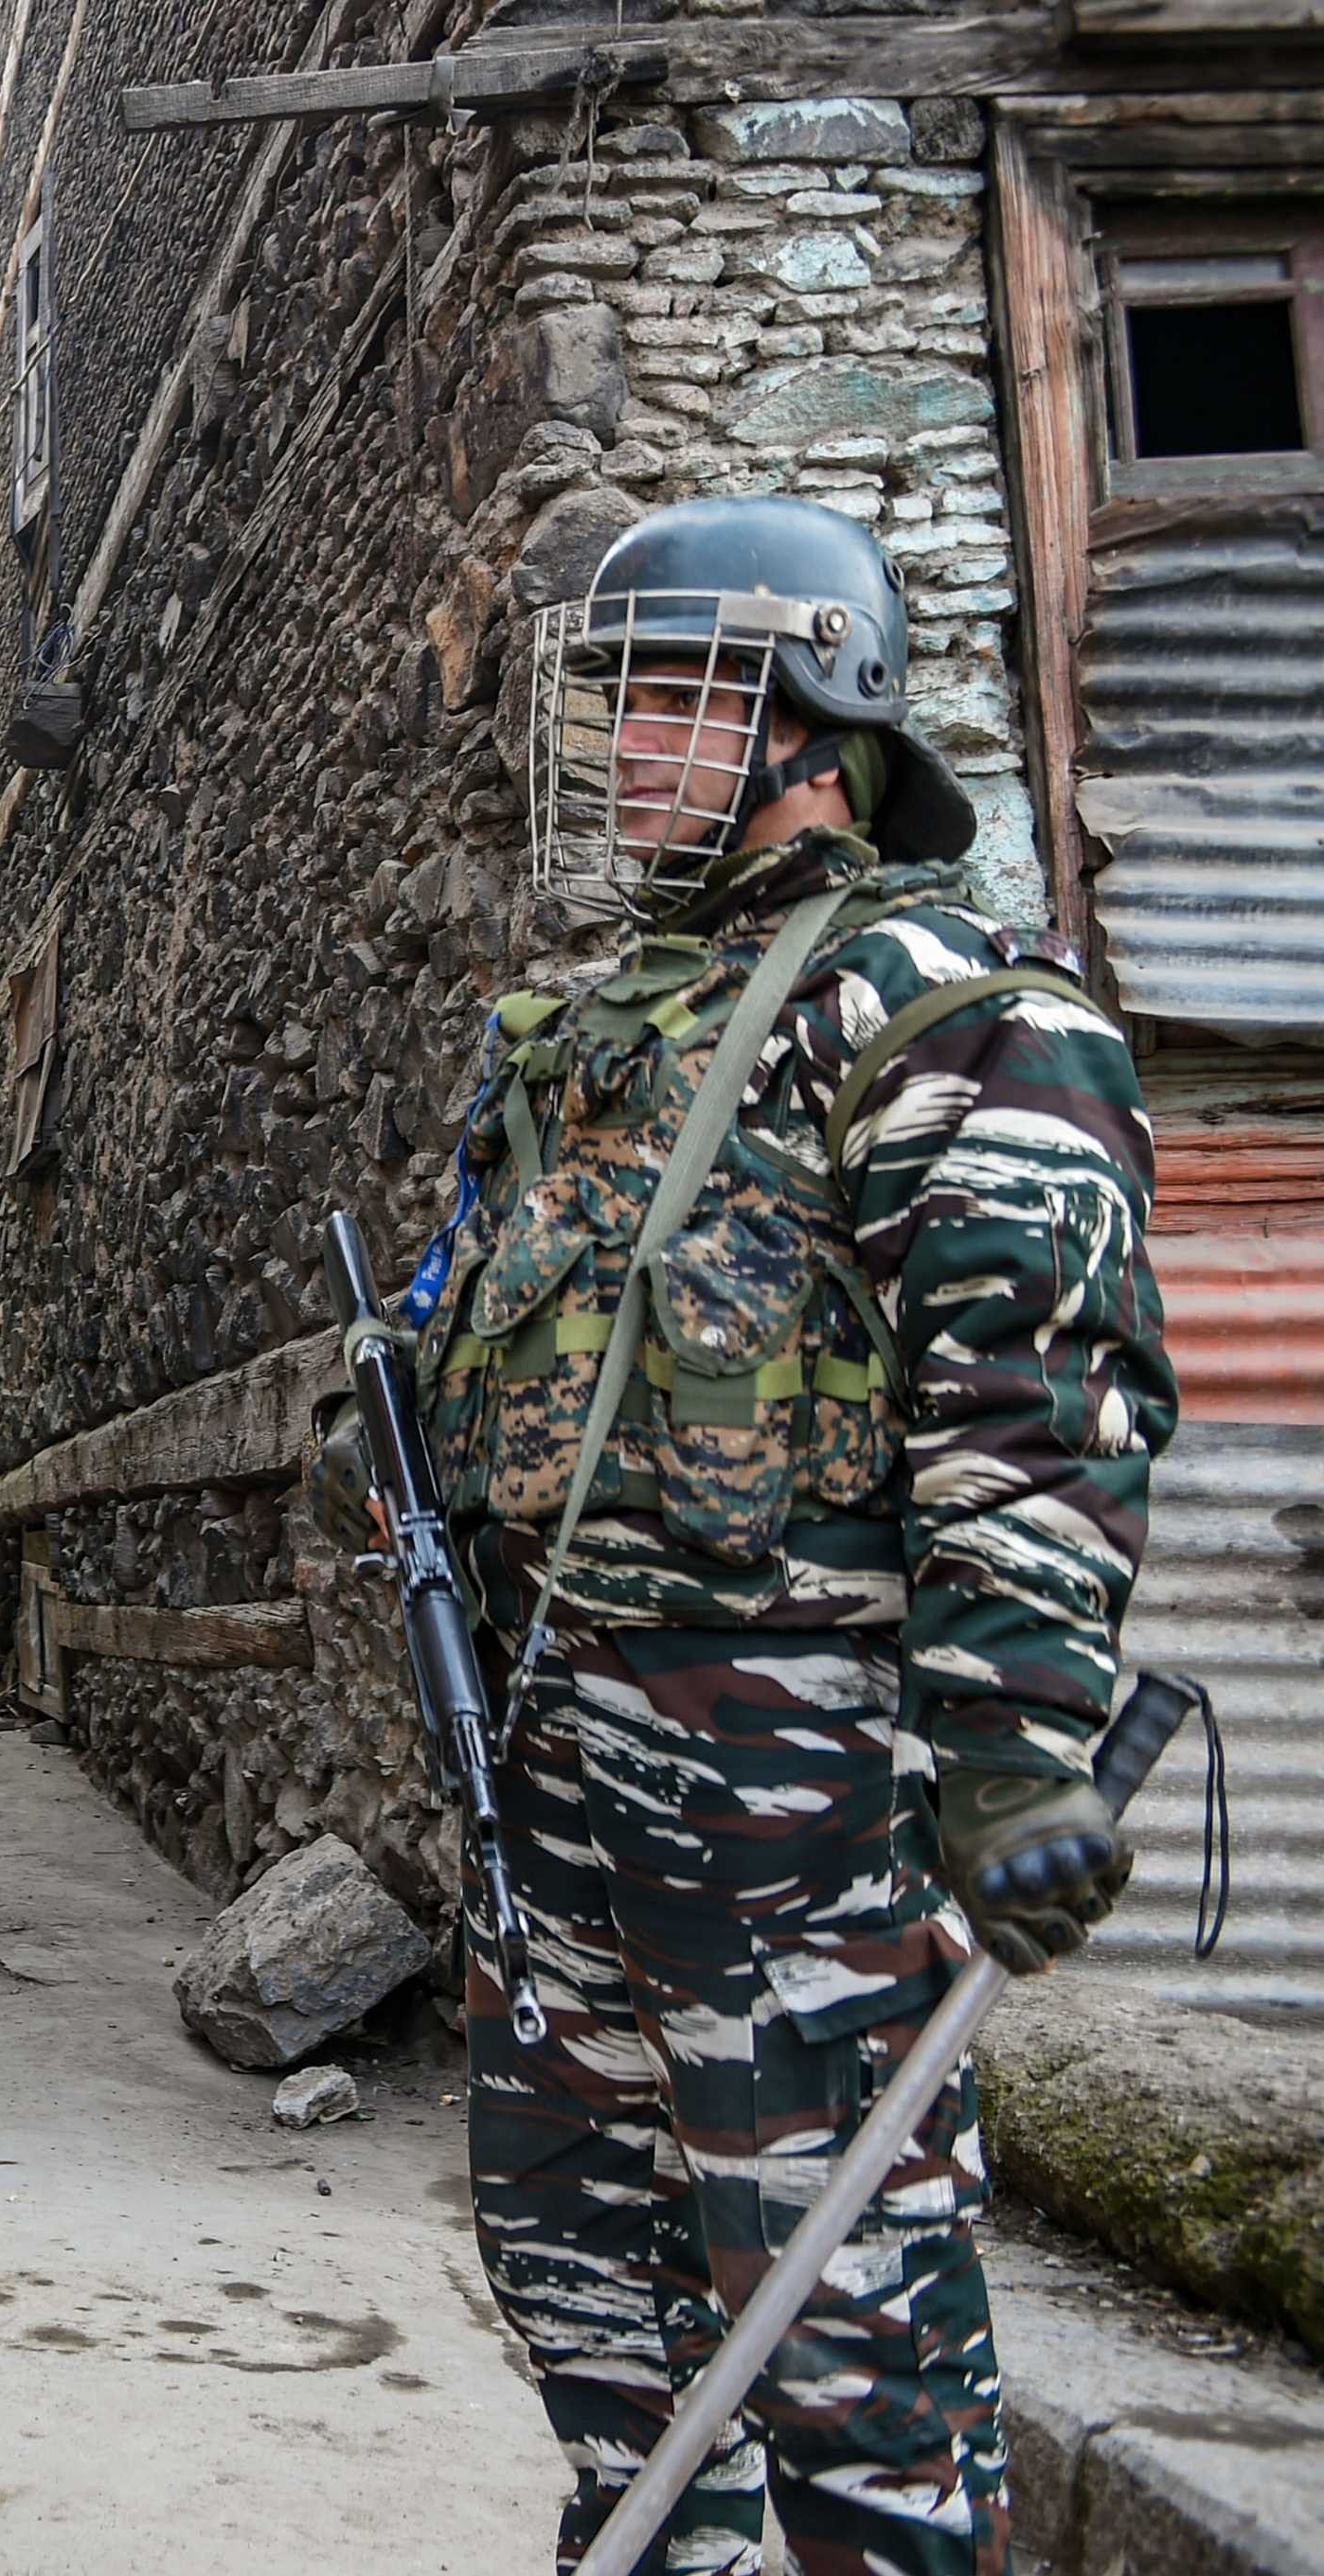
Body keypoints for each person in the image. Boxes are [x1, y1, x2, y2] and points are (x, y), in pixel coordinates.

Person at [406, 495, 1173, 2571]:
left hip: (801, 1785)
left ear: (807, 710)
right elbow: (488, 1324)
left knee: (840, 2321)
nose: (618, 744)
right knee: (582, 2260)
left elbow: (1031, 1381)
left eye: (667, 694)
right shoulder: (588, 1032)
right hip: (563, 1758)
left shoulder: (944, 1002)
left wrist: (1017, 1741)